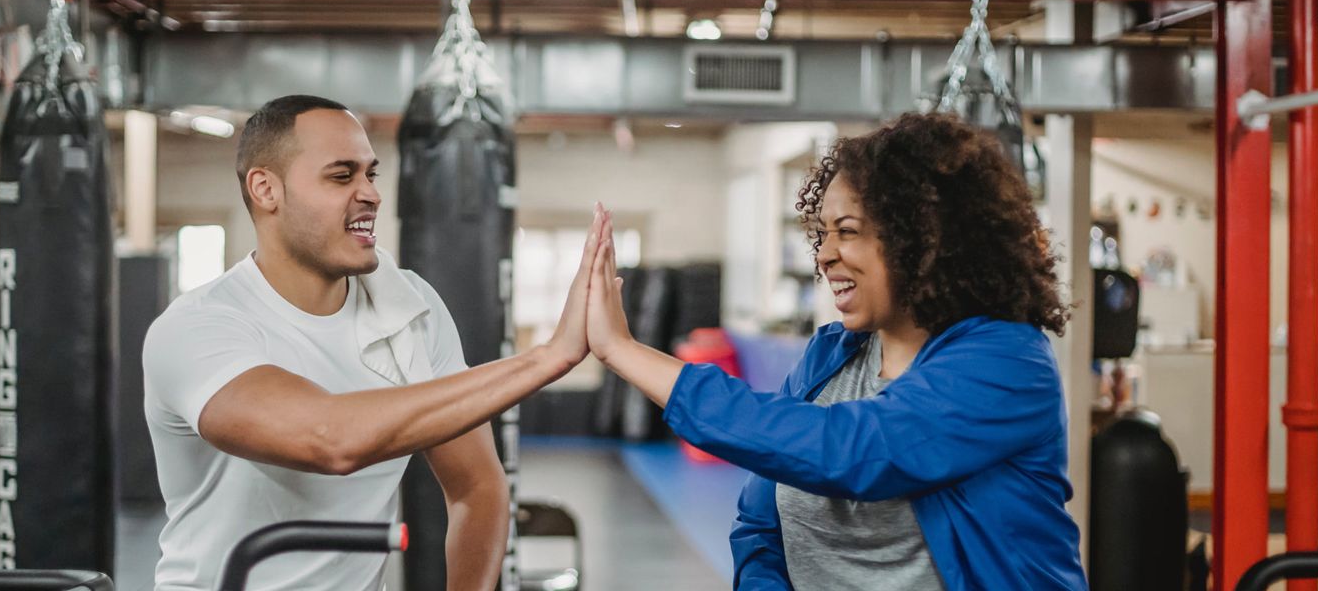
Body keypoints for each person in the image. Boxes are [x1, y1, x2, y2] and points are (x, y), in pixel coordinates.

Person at [584, 113, 1087, 589]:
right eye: (822, 233)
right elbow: (759, 524)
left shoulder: (1008, 362)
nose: (824, 255)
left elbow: (851, 452)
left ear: (924, 240)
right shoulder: (829, 357)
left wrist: (623, 350)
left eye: (847, 231)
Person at [142, 95, 609, 591]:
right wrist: (547, 358)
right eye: (342, 176)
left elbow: (477, 486)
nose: (370, 194)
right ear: (266, 189)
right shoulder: (198, 327)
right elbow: (329, 440)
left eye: (371, 174)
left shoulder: (409, 308)